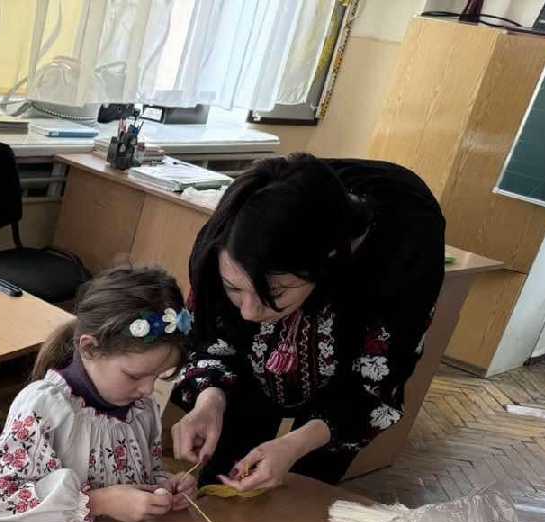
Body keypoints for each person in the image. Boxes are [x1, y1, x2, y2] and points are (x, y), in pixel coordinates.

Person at [171, 153, 445, 490]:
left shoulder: (400, 260)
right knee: (227, 460)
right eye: (234, 288)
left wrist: (295, 445)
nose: (249, 312)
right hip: (307, 243)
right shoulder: (230, 235)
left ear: (325, 264)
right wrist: (209, 400)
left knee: (303, 481)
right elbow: (210, 334)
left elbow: (374, 387)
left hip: (369, 295)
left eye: (275, 292)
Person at [0, 266, 196, 522]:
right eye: (134, 375)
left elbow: (146, 472)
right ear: (89, 348)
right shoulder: (44, 408)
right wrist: (97, 503)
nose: (148, 389)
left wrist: (165, 487)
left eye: (158, 376)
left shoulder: (142, 410)